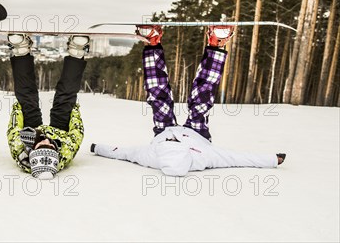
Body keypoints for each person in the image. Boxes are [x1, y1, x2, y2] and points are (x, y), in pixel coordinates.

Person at [91, 25, 286, 177]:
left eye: (169, 142)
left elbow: (123, 152)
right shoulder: (205, 157)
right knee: (202, 95)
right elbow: (238, 159)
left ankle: (152, 42)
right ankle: (216, 44)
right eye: (174, 142)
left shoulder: (152, 156)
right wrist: (271, 159)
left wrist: (97, 148)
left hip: (162, 128)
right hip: (197, 134)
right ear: (187, 152)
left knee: (158, 96)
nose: (173, 138)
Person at [7, 34, 89, 179]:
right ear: (56, 152)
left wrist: (19, 108)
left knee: (27, 100)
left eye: (42, 145)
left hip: (31, 133)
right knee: (64, 101)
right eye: (50, 146)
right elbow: (77, 132)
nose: (46, 140)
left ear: (31, 151)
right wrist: (73, 111)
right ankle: (77, 52)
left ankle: (21, 51)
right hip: (60, 134)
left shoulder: (19, 147)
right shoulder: (66, 151)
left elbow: (13, 128)